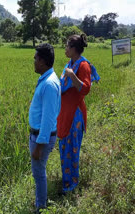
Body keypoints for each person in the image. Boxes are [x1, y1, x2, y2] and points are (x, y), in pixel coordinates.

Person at [57, 34, 100, 194]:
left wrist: (72, 75)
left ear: (74, 49)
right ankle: (66, 179)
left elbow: (86, 89)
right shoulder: (70, 64)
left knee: (72, 148)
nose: (65, 49)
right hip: (65, 112)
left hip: (75, 113)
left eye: (67, 46)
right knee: (64, 147)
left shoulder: (83, 66)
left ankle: (72, 183)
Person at [29, 43, 61, 213]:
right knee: (39, 172)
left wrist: (39, 146)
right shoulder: (48, 78)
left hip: (41, 138)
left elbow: (48, 120)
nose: (33, 61)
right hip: (39, 136)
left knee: (39, 174)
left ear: (42, 61)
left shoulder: (49, 84)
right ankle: (40, 205)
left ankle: (40, 208)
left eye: (35, 58)